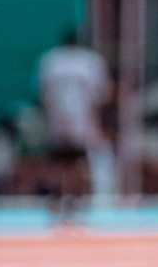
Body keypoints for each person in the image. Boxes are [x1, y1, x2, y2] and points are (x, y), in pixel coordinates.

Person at [37, 29, 110, 224]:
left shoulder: (51, 60)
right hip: (81, 121)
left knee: (60, 165)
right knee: (80, 165)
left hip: (58, 121)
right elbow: (99, 96)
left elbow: (44, 94)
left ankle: (60, 200)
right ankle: (75, 202)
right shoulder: (90, 61)